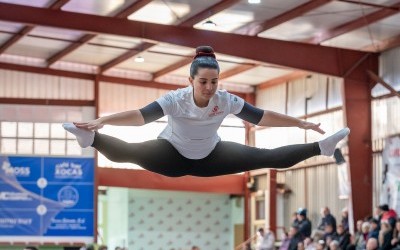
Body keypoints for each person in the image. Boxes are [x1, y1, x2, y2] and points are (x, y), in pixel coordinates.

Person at [63, 46, 350, 177]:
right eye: (203, 82)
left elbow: (262, 117)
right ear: (190, 81)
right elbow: (141, 117)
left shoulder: (225, 100)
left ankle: (320, 147)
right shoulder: (176, 100)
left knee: (266, 157)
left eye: (214, 81)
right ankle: (90, 140)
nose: (210, 87)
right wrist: (103, 121)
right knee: (129, 153)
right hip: (172, 154)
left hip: (212, 156)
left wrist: (301, 123)